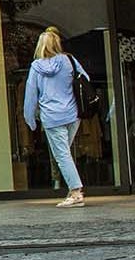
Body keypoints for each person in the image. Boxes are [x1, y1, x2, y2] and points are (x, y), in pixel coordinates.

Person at [23, 26, 90, 207]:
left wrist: (30, 120)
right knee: (64, 153)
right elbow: (86, 80)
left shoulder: (36, 67)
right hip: (72, 114)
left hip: (52, 117)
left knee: (61, 155)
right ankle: (72, 190)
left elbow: (30, 95)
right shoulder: (69, 60)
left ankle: (76, 192)